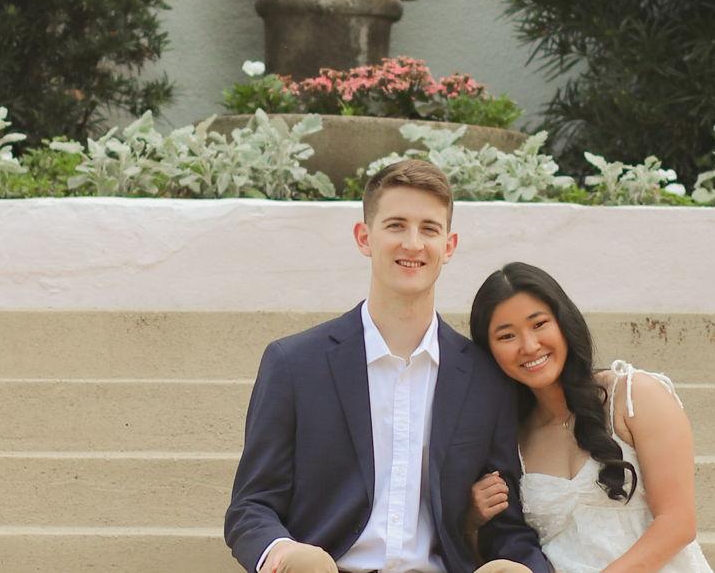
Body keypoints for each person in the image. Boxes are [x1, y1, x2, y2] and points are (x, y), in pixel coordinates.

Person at [225, 160, 551, 573]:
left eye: (429, 229)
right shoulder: (294, 365)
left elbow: (506, 527)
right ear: (365, 237)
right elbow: (251, 507)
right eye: (396, 226)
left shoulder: (484, 379)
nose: (413, 244)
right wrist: (286, 555)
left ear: (449, 246)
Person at [465, 262, 713, 572]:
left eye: (539, 324)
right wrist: (472, 520)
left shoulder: (633, 395)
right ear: (488, 351)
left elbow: (677, 523)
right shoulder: (511, 439)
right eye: (507, 336)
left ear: (563, 322)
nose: (529, 346)